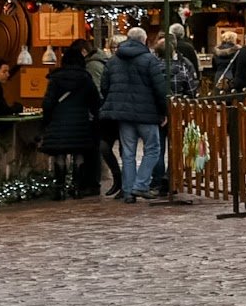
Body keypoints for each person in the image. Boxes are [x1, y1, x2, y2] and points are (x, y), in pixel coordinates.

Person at [98, 26, 171, 203]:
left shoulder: (114, 60)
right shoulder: (149, 60)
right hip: (147, 113)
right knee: (153, 149)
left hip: (123, 114)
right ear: (144, 40)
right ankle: (141, 185)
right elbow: (160, 88)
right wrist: (163, 111)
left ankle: (129, 190)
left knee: (128, 153)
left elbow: (104, 86)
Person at [39, 40, 102, 198]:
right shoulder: (85, 78)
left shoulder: (55, 78)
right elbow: (95, 101)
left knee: (60, 155)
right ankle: (76, 187)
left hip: (59, 122)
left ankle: (59, 188)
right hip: (80, 123)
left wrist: (47, 120)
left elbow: (48, 102)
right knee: (79, 155)